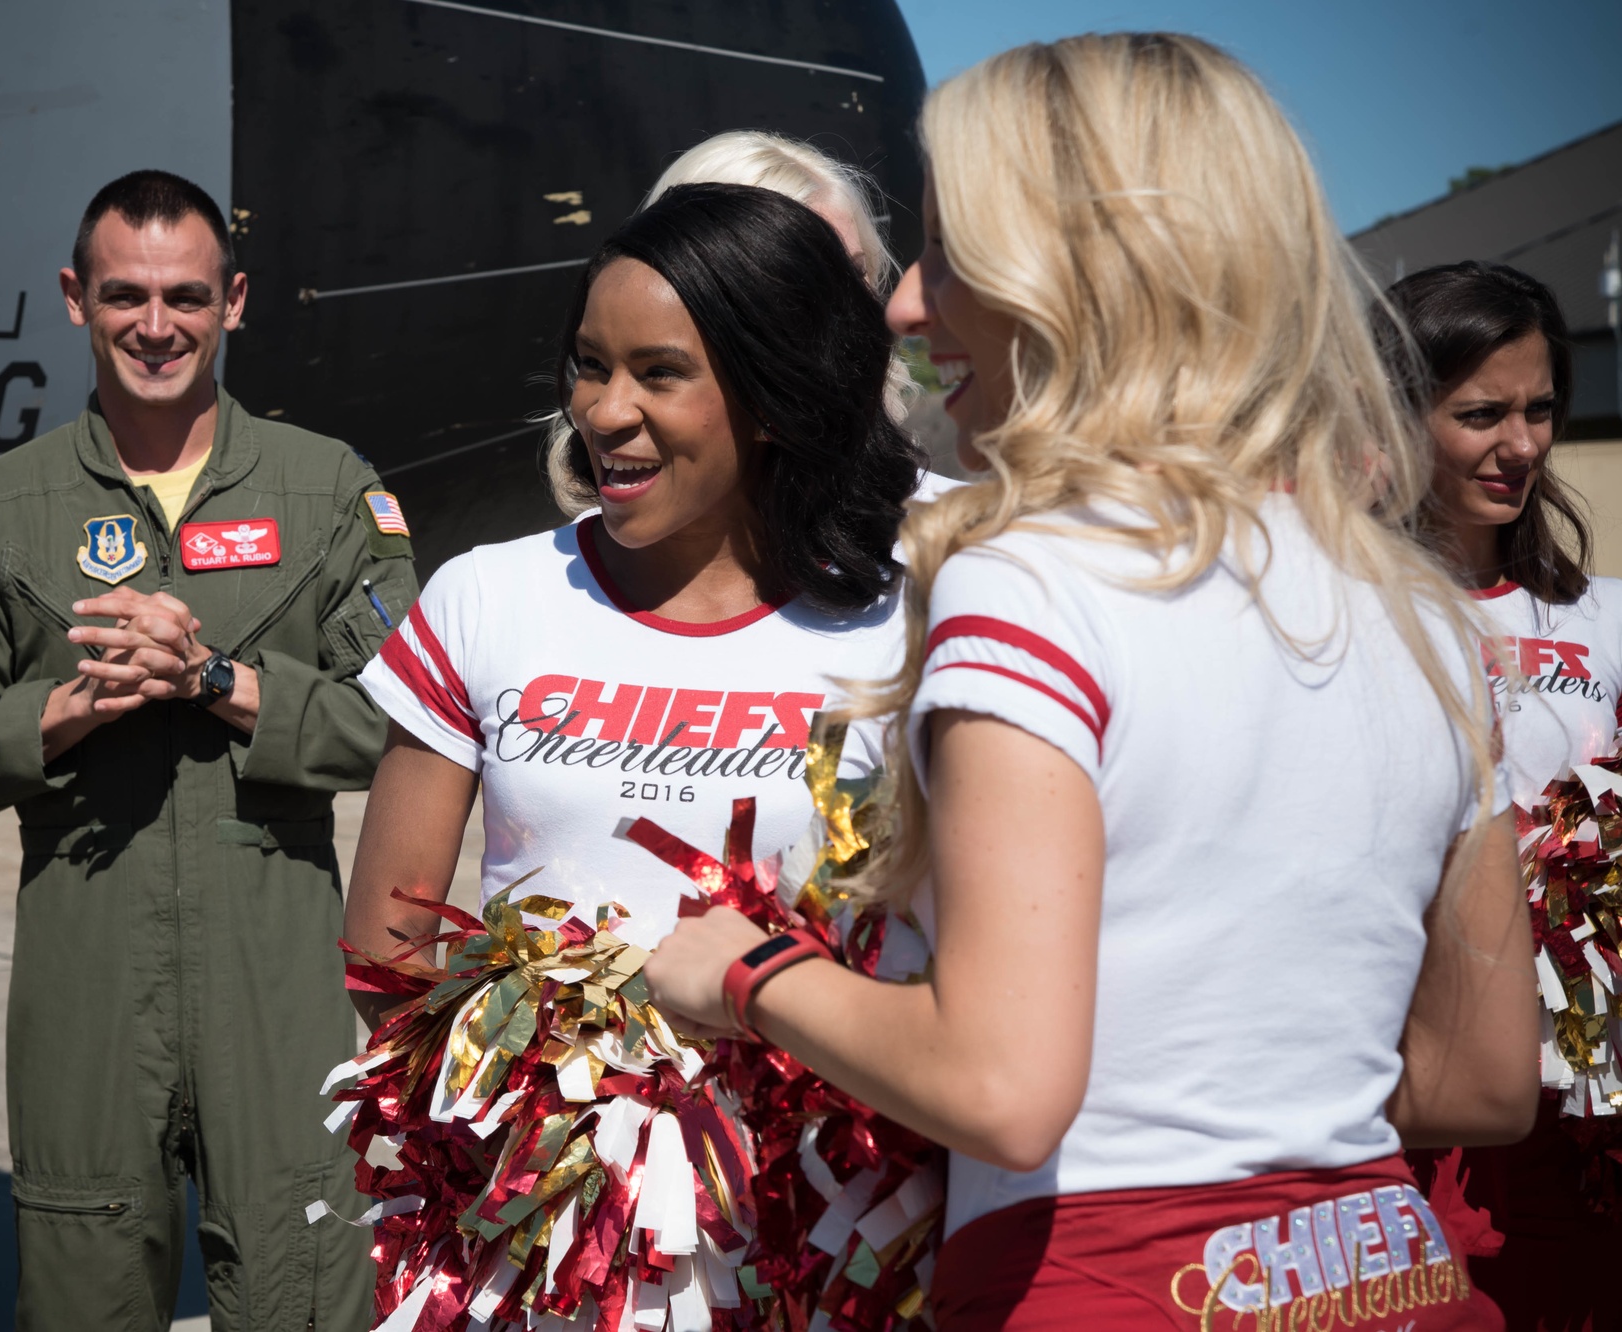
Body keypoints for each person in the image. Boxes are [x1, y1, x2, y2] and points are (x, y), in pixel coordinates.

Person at [646, 34, 1539, 1331]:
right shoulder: (1422, 618)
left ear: (1082, 283)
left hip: (1115, 1291)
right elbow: (1485, 1080)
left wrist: (742, 973)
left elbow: (1004, 1084)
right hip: (1386, 1276)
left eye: (951, 254)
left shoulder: (1034, 585)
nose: (905, 304)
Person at [0, 170, 415, 1332]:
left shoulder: (326, 492)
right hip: (87, 987)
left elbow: (403, 722)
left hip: (276, 984)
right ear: (75, 298)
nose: (156, 327)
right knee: (84, 1296)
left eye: (186, 296)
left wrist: (217, 681)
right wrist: (69, 706)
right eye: (125, 295)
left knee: (307, 1291)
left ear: (235, 301)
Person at [345, 179, 918, 1051]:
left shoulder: (911, 619)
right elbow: (386, 961)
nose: (605, 412)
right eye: (590, 364)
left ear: (775, 395)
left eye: (660, 373)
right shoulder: (484, 598)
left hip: (820, 1177)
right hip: (541, 1177)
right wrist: (571, 1111)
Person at [1385, 260, 1620, 1332]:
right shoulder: (1334, 615)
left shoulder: (1603, 618)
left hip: (1580, 1120)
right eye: (1478, 413)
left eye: (1537, 410)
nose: (1520, 445)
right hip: (1404, 1105)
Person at [543, 131, 959, 515]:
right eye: (790, 282)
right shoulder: (526, 582)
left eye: (853, 275)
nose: (842, 312)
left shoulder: (966, 546)